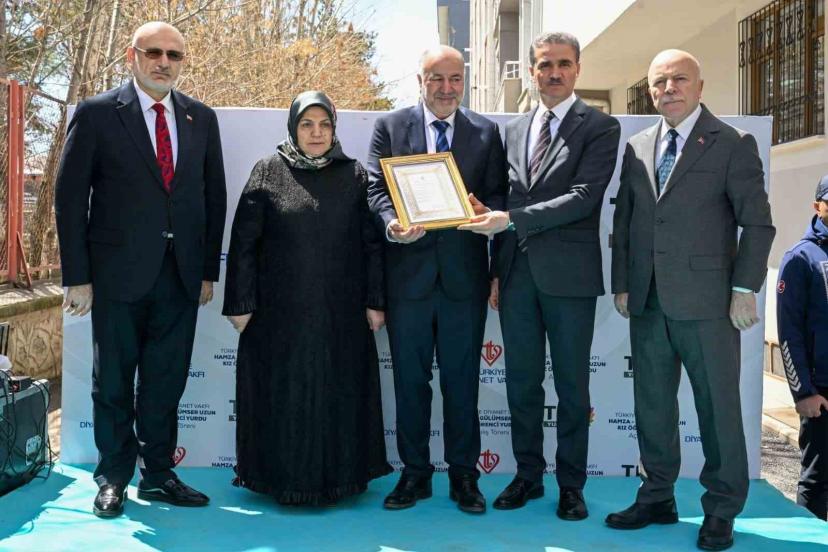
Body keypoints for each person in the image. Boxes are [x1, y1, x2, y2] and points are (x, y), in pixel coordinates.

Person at [54, 21, 227, 518]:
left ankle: (159, 475)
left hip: (181, 275)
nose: (164, 62)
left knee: (165, 382)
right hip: (116, 275)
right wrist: (77, 276)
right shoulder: (97, 114)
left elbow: (213, 197)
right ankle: (113, 476)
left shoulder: (201, 118)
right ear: (132, 56)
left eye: (174, 54)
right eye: (154, 52)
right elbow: (70, 199)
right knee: (112, 381)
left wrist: (207, 271)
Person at [606, 49, 775, 550]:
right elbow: (625, 222)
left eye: (680, 79)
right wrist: (623, 282)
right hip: (648, 301)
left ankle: (721, 509)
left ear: (700, 87)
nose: (669, 89)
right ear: (650, 91)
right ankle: (657, 495)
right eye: (660, 82)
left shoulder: (732, 143)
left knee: (718, 410)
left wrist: (744, 289)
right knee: (652, 407)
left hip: (709, 304)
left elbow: (758, 224)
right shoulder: (637, 146)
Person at [459, 32, 620, 521]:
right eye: (545, 65)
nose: (554, 73)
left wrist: (510, 219)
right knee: (521, 384)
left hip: (570, 279)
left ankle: (571, 486)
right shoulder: (510, 130)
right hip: (516, 277)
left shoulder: (601, 127)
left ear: (578, 69)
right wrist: (495, 269)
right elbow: (502, 200)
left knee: (572, 388)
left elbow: (584, 198)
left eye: (563, 64)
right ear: (531, 71)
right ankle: (528, 475)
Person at [222, 91, 392, 506]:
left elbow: (373, 245)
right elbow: (244, 243)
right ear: (293, 128)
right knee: (284, 396)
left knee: (339, 394)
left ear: (334, 129)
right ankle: (279, 480)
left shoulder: (354, 175)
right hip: (277, 316)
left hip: (341, 314)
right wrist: (240, 303)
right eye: (307, 124)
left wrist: (376, 301)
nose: (316, 133)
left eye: (324, 125)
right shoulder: (268, 171)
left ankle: (340, 480)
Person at [366, 45, 507, 513]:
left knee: (462, 382)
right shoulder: (390, 127)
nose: (446, 88)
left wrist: (486, 212)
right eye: (436, 79)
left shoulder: (486, 132)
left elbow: (498, 197)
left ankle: (464, 476)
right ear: (420, 81)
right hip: (407, 279)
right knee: (410, 382)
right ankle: (415, 473)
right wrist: (392, 224)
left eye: (455, 79)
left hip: (464, 280)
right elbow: (376, 190)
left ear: (464, 81)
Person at [777, 175, 828, 520]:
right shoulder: (800, 258)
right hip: (821, 393)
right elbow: (788, 333)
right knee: (817, 481)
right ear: (817, 206)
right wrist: (803, 393)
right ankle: (810, 542)